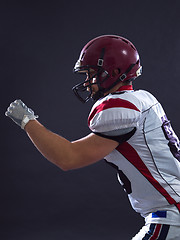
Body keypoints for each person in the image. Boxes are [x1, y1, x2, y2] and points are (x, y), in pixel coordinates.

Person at [5, 35, 180, 239]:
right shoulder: (144, 98)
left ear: (114, 72)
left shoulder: (120, 106)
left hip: (172, 213)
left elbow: (68, 158)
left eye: (92, 74)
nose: (87, 83)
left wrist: (27, 121)